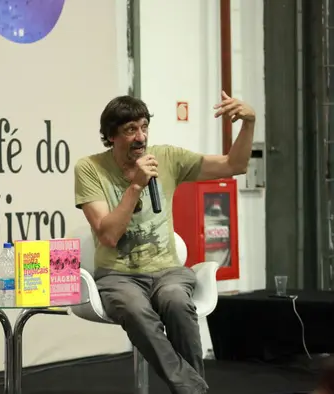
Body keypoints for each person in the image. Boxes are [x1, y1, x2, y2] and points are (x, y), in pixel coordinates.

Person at [74, 92, 255, 394]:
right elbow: (107, 235)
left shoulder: (167, 158)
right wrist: (136, 186)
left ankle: (189, 389)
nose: (140, 136)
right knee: (134, 309)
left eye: (144, 127)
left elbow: (233, 165)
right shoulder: (90, 168)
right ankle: (195, 389)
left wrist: (248, 123)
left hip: (167, 271)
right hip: (118, 276)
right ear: (110, 135)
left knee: (176, 302)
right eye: (130, 129)